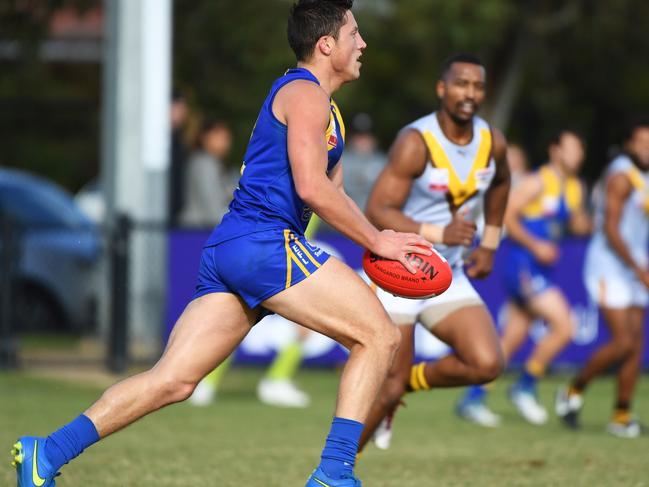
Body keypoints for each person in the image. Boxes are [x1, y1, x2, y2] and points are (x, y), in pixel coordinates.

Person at [10, 2, 433, 486]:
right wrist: (378, 240)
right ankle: (334, 474)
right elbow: (312, 188)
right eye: (354, 34)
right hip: (264, 242)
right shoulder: (306, 94)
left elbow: (332, 195)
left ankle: (47, 452)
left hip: (234, 246)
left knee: (172, 380)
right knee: (378, 335)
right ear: (326, 45)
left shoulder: (325, 108)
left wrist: (377, 241)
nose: (363, 44)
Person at [360, 52, 511, 451]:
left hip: (448, 273)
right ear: (442, 89)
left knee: (487, 364)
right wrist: (438, 231)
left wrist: (491, 245)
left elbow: (501, 185)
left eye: (478, 86)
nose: (470, 93)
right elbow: (376, 210)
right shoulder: (416, 142)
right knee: (385, 389)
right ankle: (333, 471)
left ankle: (409, 380)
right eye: (462, 83)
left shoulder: (492, 141)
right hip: (400, 272)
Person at [456, 129, 591, 427]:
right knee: (564, 325)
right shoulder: (537, 182)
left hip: (541, 268)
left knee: (511, 339)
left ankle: (473, 399)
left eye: (580, 149)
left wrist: (584, 223)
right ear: (555, 151)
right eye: (571, 148)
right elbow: (506, 216)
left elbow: (576, 224)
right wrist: (536, 244)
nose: (577, 155)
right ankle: (525, 385)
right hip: (523, 264)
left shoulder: (575, 188)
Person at [556, 120, 649, 438]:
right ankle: (572, 391)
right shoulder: (622, 176)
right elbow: (610, 229)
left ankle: (621, 415)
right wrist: (638, 267)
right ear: (628, 145)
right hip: (610, 266)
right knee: (622, 341)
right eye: (641, 142)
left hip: (636, 264)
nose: (646, 148)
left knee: (635, 345)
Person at [179, 118, 233, 227]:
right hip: (195, 233)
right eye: (219, 135)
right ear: (205, 137)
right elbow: (213, 209)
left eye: (226, 137)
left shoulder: (211, 163)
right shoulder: (203, 163)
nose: (225, 141)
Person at [343, 112, 387, 210]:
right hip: (342, 218)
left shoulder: (384, 162)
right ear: (350, 137)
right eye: (358, 135)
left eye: (367, 135)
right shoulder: (340, 161)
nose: (363, 140)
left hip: (374, 219)